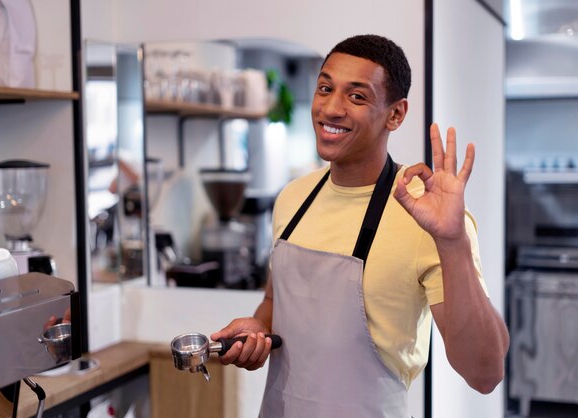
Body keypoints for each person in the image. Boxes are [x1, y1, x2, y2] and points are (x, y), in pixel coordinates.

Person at [211, 34, 509, 417]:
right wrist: (256, 329)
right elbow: (275, 302)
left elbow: (484, 373)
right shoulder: (292, 198)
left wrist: (452, 242)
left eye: (357, 96)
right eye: (325, 88)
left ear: (396, 114)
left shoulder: (425, 214)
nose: (332, 108)